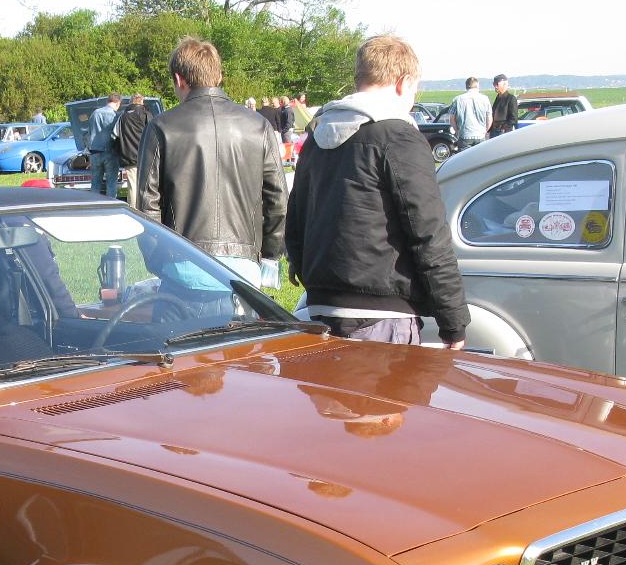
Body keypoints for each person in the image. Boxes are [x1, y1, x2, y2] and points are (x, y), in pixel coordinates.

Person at [284, 34, 469, 348]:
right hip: (383, 313)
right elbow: (427, 232)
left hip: (321, 308)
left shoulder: (316, 136)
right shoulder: (399, 136)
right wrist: (453, 321)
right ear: (403, 83)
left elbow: (296, 223)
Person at [136, 36, 287, 280]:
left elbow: (146, 204)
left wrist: (158, 260)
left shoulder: (161, 127)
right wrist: (268, 256)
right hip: (244, 268)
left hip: (181, 263)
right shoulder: (259, 126)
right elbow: (278, 200)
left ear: (179, 79)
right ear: (218, 76)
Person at [114, 94, 151, 207]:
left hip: (129, 156)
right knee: (148, 185)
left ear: (131, 102)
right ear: (142, 102)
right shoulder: (146, 114)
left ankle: (133, 210)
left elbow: (115, 135)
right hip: (146, 155)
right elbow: (153, 134)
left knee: (133, 185)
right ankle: (145, 209)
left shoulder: (122, 116)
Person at [86, 93, 121, 196]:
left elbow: (88, 133)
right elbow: (118, 135)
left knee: (95, 183)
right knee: (111, 183)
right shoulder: (116, 115)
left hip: (95, 152)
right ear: (117, 103)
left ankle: (95, 203)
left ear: (108, 101)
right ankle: (111, 204)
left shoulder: (95, 113)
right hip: (111, 152)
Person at [446, 77, 492, 151]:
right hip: (480, 135)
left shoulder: (457, 99)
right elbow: (489, 118)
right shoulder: (485, 99)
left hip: (464, 135)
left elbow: (451, 119)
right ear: (477, 86)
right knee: (481, 157)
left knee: (465, 158)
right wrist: (485, 131)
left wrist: (457, 131)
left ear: (466, 86)